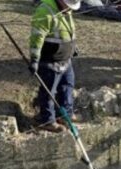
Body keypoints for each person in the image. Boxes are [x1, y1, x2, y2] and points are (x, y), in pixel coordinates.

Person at [29, 0, 80, 132]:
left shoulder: (65, 10)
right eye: (68, 5)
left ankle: (65, 115)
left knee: (67, 86)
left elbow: (67, 30)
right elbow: (37, 37)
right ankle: (47, 120)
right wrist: (34, 59)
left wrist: (73, 47)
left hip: (65, 60)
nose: (70, 9)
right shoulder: (45, 11)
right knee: (49, 92)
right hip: (50, 61)